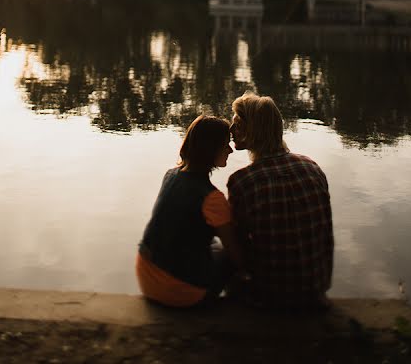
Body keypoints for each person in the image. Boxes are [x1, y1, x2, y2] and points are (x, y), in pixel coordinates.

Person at [227, 92, 333, 309]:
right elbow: (325, 235)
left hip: (270, 294)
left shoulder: (242, 181)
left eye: (237, 124)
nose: (230, 129)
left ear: (252, 131)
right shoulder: (312, 167)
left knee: (224, 251)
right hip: (315, 288)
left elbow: (239, 246)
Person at [136, 115, 244, 307]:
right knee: (236, 254)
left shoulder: (171, 174)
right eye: (225, 145)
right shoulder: (212, 198)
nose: (230, 150)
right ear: (210, 149)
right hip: (180, 291)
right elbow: (235, 253)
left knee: (210, 247)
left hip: (146, 275)